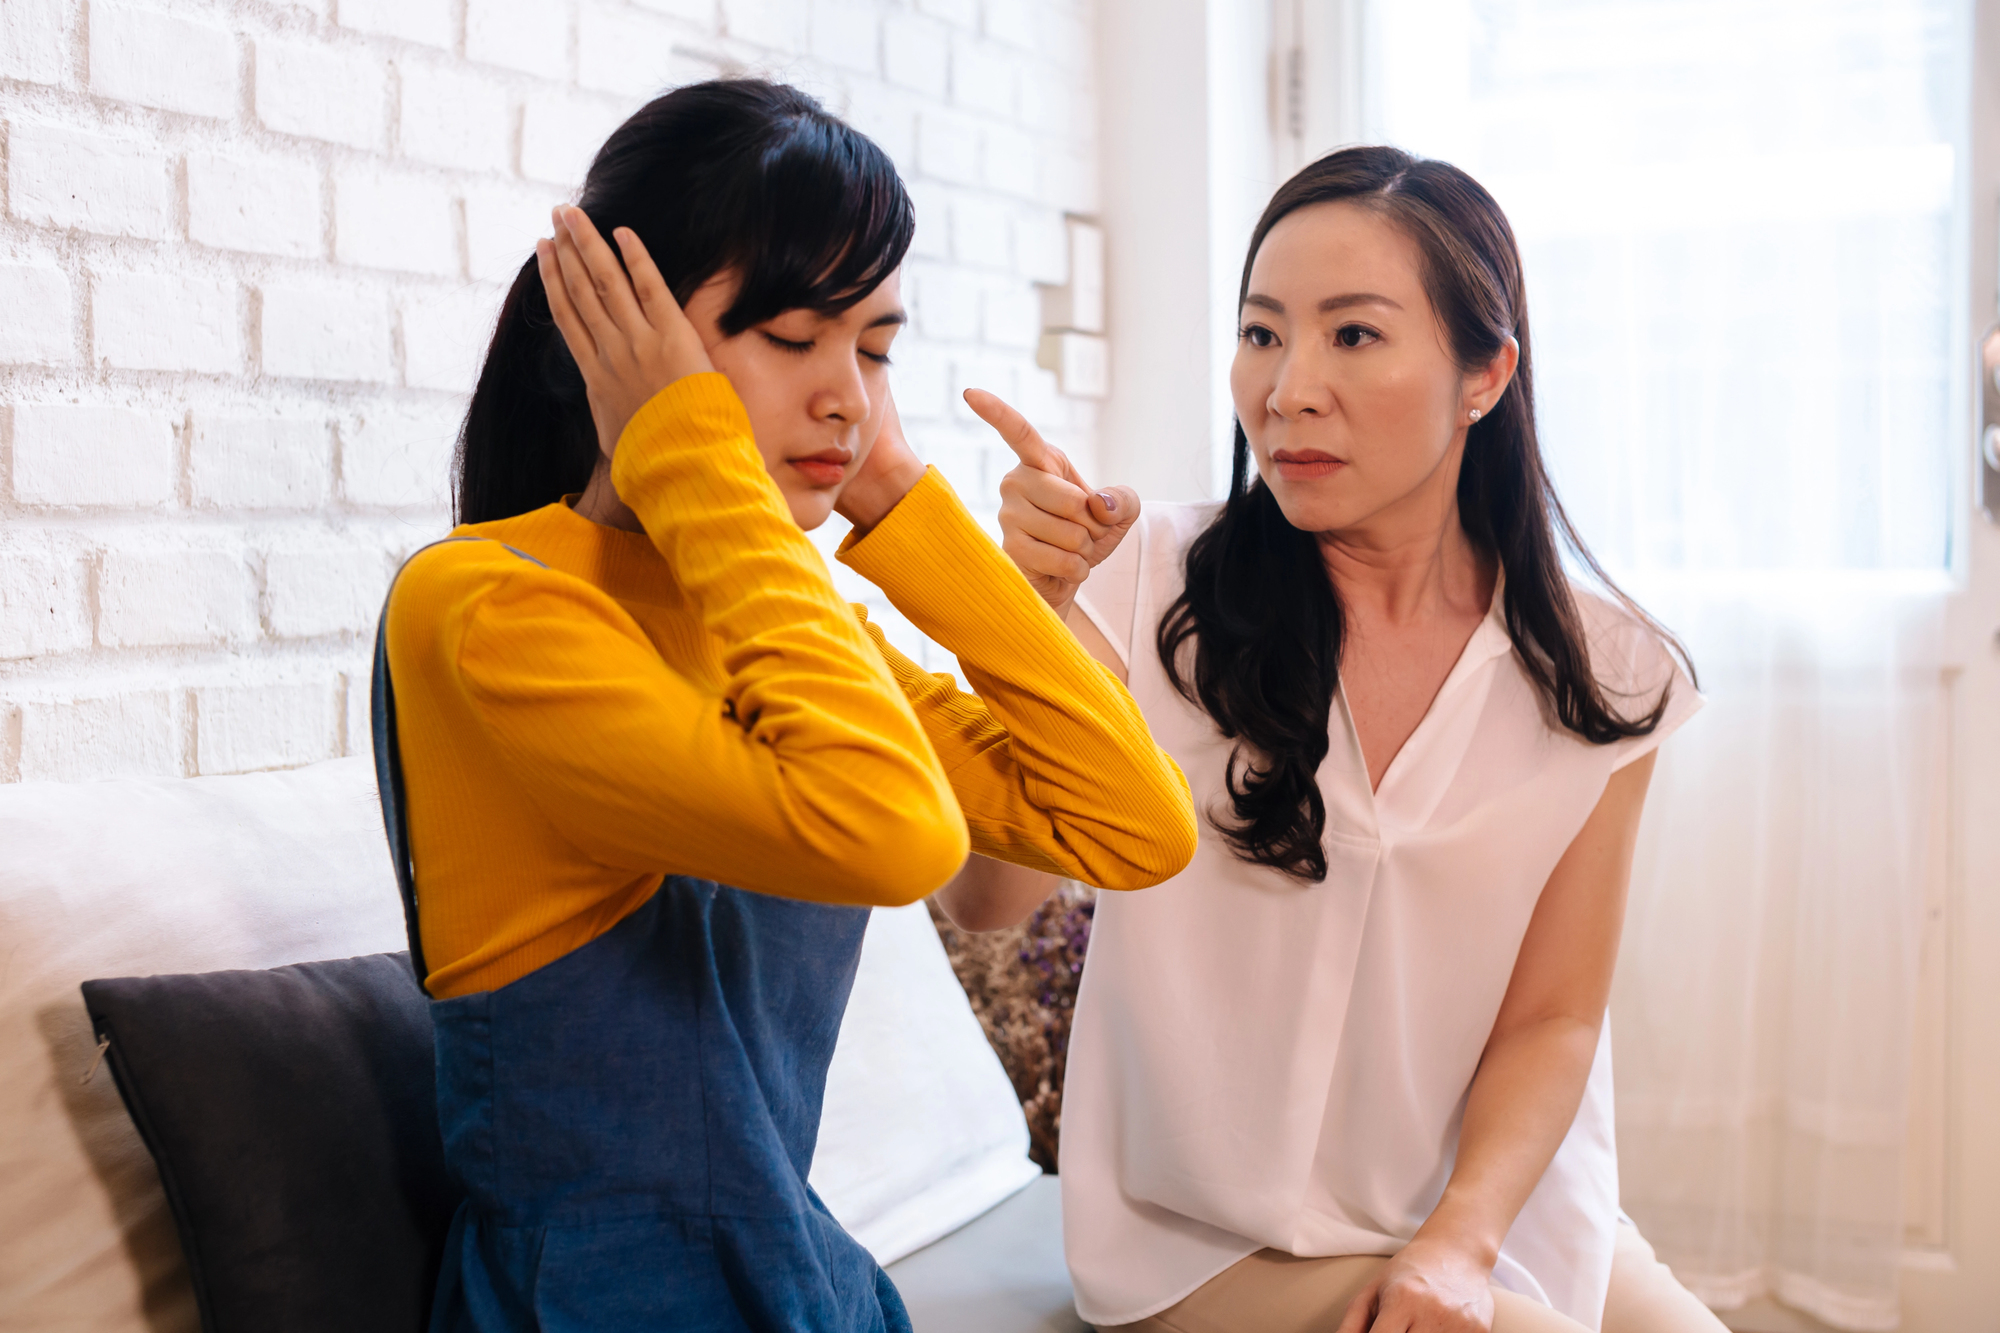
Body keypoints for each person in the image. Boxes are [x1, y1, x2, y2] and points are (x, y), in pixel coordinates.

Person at [374, 80, 1197, 1333]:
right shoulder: (483, 607)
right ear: (612, 334)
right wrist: (693, 454)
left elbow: (1136, 827)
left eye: (873, 348)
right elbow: (891, 832)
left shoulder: (788, 627)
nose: (848, 399)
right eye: (792, 334)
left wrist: (909, 503)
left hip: (803, 1292)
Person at [944, 147, 1728, 1332]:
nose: (1287, 387)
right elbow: (989, 900)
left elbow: (1552, 1016)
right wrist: (1021, 626)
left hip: (1487, 1212)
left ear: (1483, 373)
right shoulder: (1141, 586)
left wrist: (1459, 1246)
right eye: (1261, 334)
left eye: (1351, 335)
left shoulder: (1607, 675)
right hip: (1208, 1238)